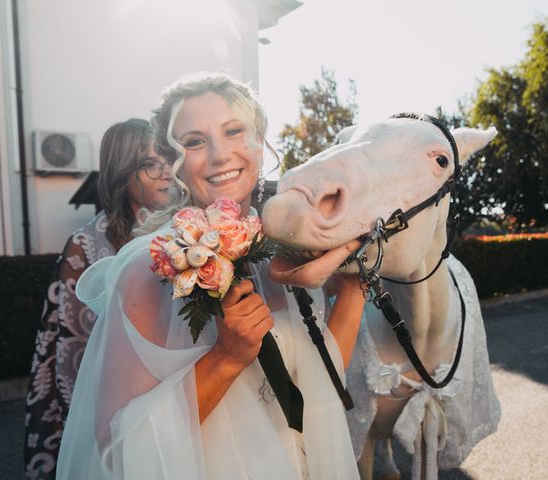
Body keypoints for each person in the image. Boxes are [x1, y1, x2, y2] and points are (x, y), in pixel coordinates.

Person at [56, 73, 366, 479]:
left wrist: (355, 288)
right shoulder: (147, 270)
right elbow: (116, 453)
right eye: (195, 141)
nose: (220, 154)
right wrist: (226, 358)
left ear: (259, 142)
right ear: (173, 161)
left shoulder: (282, 252)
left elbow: (322, 379)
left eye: (234, 131)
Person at [24, 118, 173, 479]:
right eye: (149, 164)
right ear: (123, 173)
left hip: (171, 399)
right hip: (110, 410)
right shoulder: (87, 244)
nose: (166, 171)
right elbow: (71, 351)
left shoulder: (182, 231)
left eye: (168, 158)